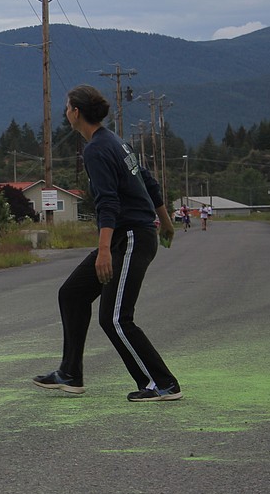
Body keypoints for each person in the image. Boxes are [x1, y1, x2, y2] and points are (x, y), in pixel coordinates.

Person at [33, 85, 182, 402]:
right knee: (72, 294)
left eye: (66, 106)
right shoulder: (113, 141)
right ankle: (70, 374)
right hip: (128, 236)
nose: (65, 111)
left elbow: (108, 203)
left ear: (75, 111)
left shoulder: (97, 149)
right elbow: (148, 181)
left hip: (129, 238)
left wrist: (104, 251)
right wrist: (166, 222)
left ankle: (163, 383)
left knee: (115, 318)